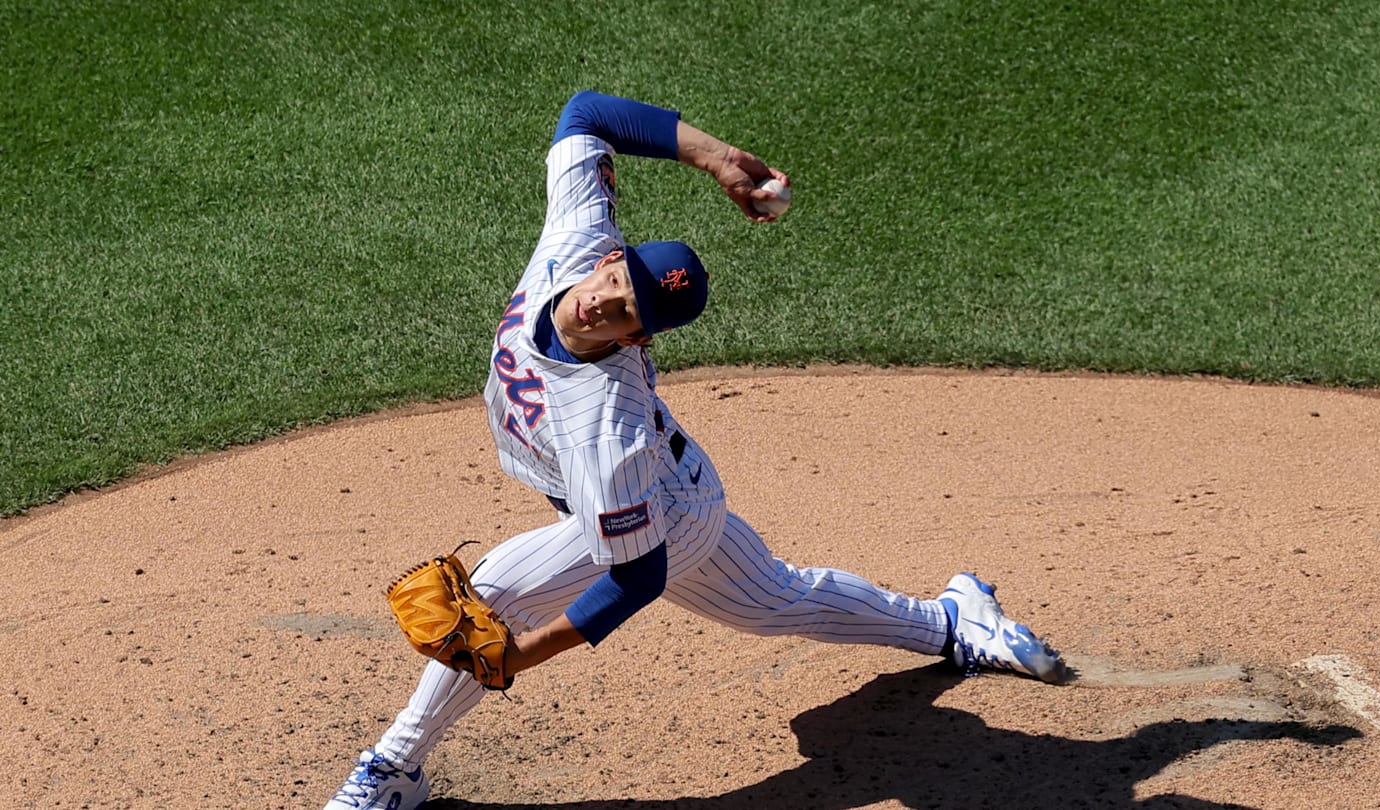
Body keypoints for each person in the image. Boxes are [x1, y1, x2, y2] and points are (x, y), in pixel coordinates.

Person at [324, 90, 1064, 810]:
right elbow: (586, 114)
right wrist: (715, 158)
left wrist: (519, 657)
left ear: (637, 338)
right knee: (775, 599)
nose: (602, 301)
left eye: (625, 311)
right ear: (613, 258)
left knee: (491, 601)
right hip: (676, 482)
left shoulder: (602, 426)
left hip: (657, 514)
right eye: (616, 279)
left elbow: (638, 575)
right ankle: (954, 621)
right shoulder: (580, 241)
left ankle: (392, 768)